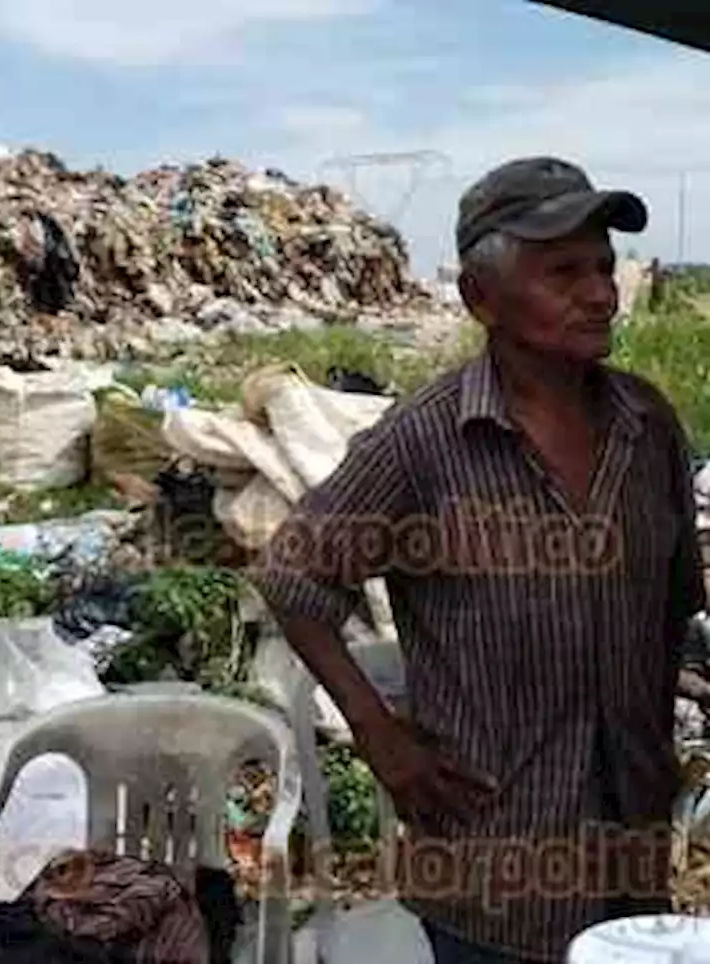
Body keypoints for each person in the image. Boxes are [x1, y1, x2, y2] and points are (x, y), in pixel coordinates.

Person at [252, 156, 706, 963]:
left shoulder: (648, 425)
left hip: (631, 855)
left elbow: (672, 603)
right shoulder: (424, 442)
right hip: (491, 868)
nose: (600, 292)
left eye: (605, 267)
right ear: (478, 297)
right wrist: (379, 736)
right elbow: (293, 574)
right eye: (564, 271)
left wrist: (656, 750)